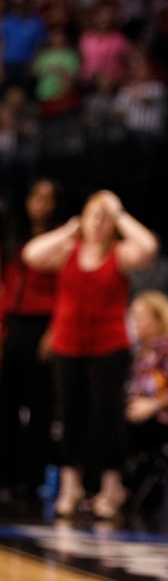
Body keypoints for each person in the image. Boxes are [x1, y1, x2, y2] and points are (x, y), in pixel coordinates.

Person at [22, 190, 158, 520]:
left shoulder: (120, 254)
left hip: (108, 347)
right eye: (92, 216)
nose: (98, 223)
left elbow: (149, 247)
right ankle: (71, 486)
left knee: (106, 418)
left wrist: (119, 212)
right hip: (68, 345)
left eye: (104, 218)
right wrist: (70, 229)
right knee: (69, 416)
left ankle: (112, 489)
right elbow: (31, 254)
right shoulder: (68, 251)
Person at [0, 177, 62, 513]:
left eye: (47, 198)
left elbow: (64, 289)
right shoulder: (13, 236)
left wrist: (53, 333)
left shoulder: (60, 240)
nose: (40, 204)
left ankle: (32, 479)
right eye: (35, 197)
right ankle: (6, 477)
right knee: (7, 404)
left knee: (39, 407)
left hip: (44, 325)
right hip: (14, 324)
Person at [123, 289, 168, 524]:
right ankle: (111, 490)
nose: (135, 324)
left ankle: (119, 492)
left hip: (164, 417)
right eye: (133, 317)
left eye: (141, 317)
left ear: (159, 319)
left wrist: (153, 404)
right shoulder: (138, 351)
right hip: (136, 413)